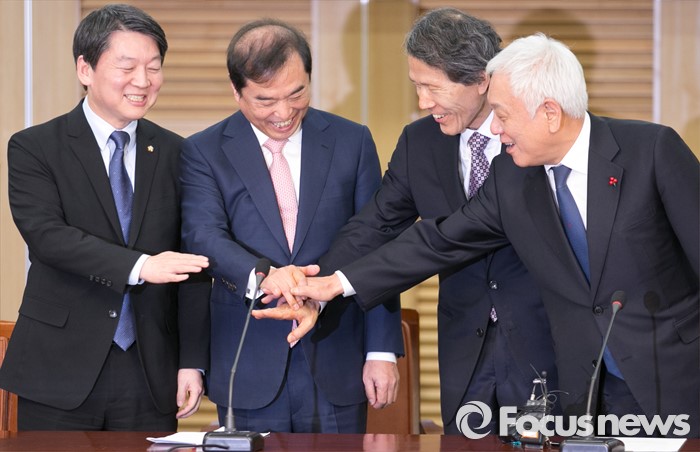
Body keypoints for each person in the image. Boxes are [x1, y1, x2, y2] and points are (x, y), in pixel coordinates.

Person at [257, 33, 700, 437]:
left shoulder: (652, 152)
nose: (496, 128)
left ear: (549, 113)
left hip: (673, 376)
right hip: (583, 386)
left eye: (503, 115)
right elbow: (439, 240)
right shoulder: (512, 177)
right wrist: (334, 283)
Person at [260, 8, 558, 435]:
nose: (422, 103)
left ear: (481, 79)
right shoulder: (420, 142)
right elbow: (375, 226)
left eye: (432, 88)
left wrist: (337, 284)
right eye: (417, 86)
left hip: (546, 342)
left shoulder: (535, 135)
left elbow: (447, 238)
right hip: (464, 348)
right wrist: (317, 288)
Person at [179, 19, 403, 433]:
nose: (283, 113)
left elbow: (378, 242)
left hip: (338, 351)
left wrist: (381, 351)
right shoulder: (203, 151)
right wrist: (263, 275)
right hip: (247, 357)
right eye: (265, 100)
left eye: (296, 94)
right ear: (236, 92)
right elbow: (203, 235)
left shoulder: (351, 141)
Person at [0, 4, 212, 431]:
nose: (143, 81)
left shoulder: (178, 152)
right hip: (59, 366)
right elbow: (48, 237)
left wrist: (192, 361)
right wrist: (141, 266)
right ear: (85, 69)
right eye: (127, 67)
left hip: (150, 369)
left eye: (154, 67)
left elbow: (193, 264)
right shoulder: (34, 147)